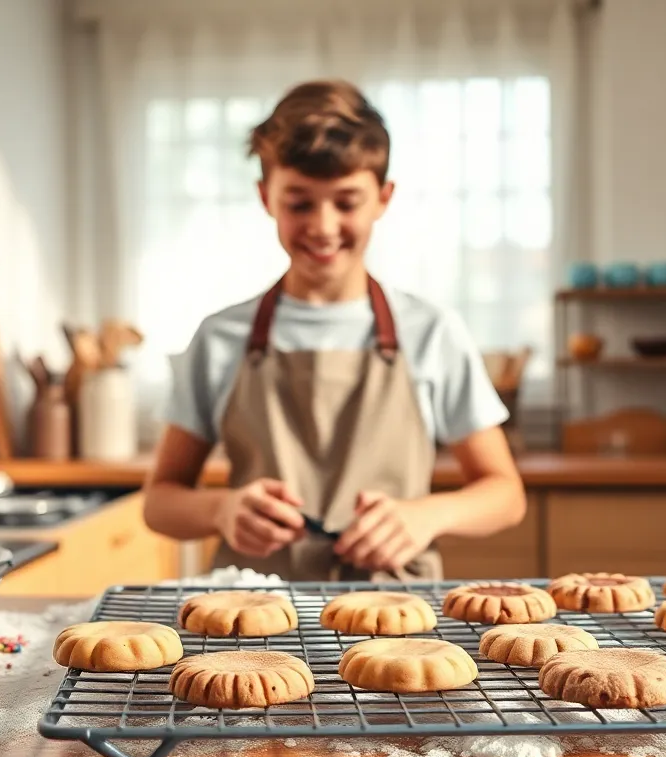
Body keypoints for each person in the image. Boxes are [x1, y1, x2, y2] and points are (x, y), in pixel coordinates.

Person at [141, 79, 527, 582]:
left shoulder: (431, 332)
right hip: (254, 613)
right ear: (266, 197)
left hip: (398, 618)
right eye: (299, 203)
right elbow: (159, 503)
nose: (323, 226)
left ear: (383, 198)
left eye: (346, 202)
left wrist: (428, 515)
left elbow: (505, 493)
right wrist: (221, 509)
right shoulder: (220, 337)